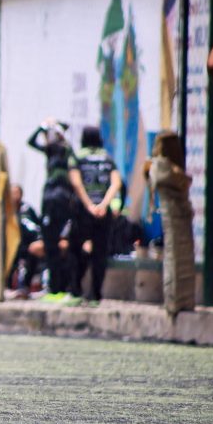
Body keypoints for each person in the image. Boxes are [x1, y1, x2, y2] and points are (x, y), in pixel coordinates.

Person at [66, 125, 122, 305]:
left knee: (76, 248)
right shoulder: (107, 157)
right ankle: (96, 294)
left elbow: (76, 183)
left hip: (84, 211)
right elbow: (116, 183)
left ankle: (76, 290)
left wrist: (89, 205)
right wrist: (104, 204)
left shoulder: (78, 157)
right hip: (102, 212)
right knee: (100, 252)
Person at [27, 118, 74, 301]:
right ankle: (54, 287)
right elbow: (31, 142)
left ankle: (62, 286)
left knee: (63, 244)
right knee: (50, 244)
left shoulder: (65, 151)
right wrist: (41, 127)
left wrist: (59, 130)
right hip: (49, 201)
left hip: (61, 201)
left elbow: (68, 146)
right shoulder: (50, 151)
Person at [6, 184, 45, 299]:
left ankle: (25, 287)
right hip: (12, 247)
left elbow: (37, 228)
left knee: (31, 258)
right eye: (12, 193)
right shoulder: (6, 211)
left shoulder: (27, 210)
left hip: (28, 246)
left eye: (16, 193)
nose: (14, 196)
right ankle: (7, 287)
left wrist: (39, 241)